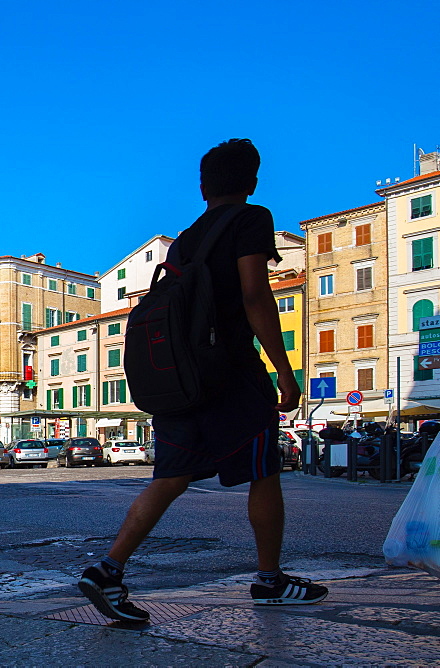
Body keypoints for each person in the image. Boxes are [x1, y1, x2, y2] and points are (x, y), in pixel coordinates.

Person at [78, 139, 328, 623]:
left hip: (180, 380)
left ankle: (107, 570)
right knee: (263, 471)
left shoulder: (187, 239)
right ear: (253, 182)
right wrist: (284, 372)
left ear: (202, 187)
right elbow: (256, 295)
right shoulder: (252, 219)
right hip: (230, 374)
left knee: (169, 478)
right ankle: (270, 580)